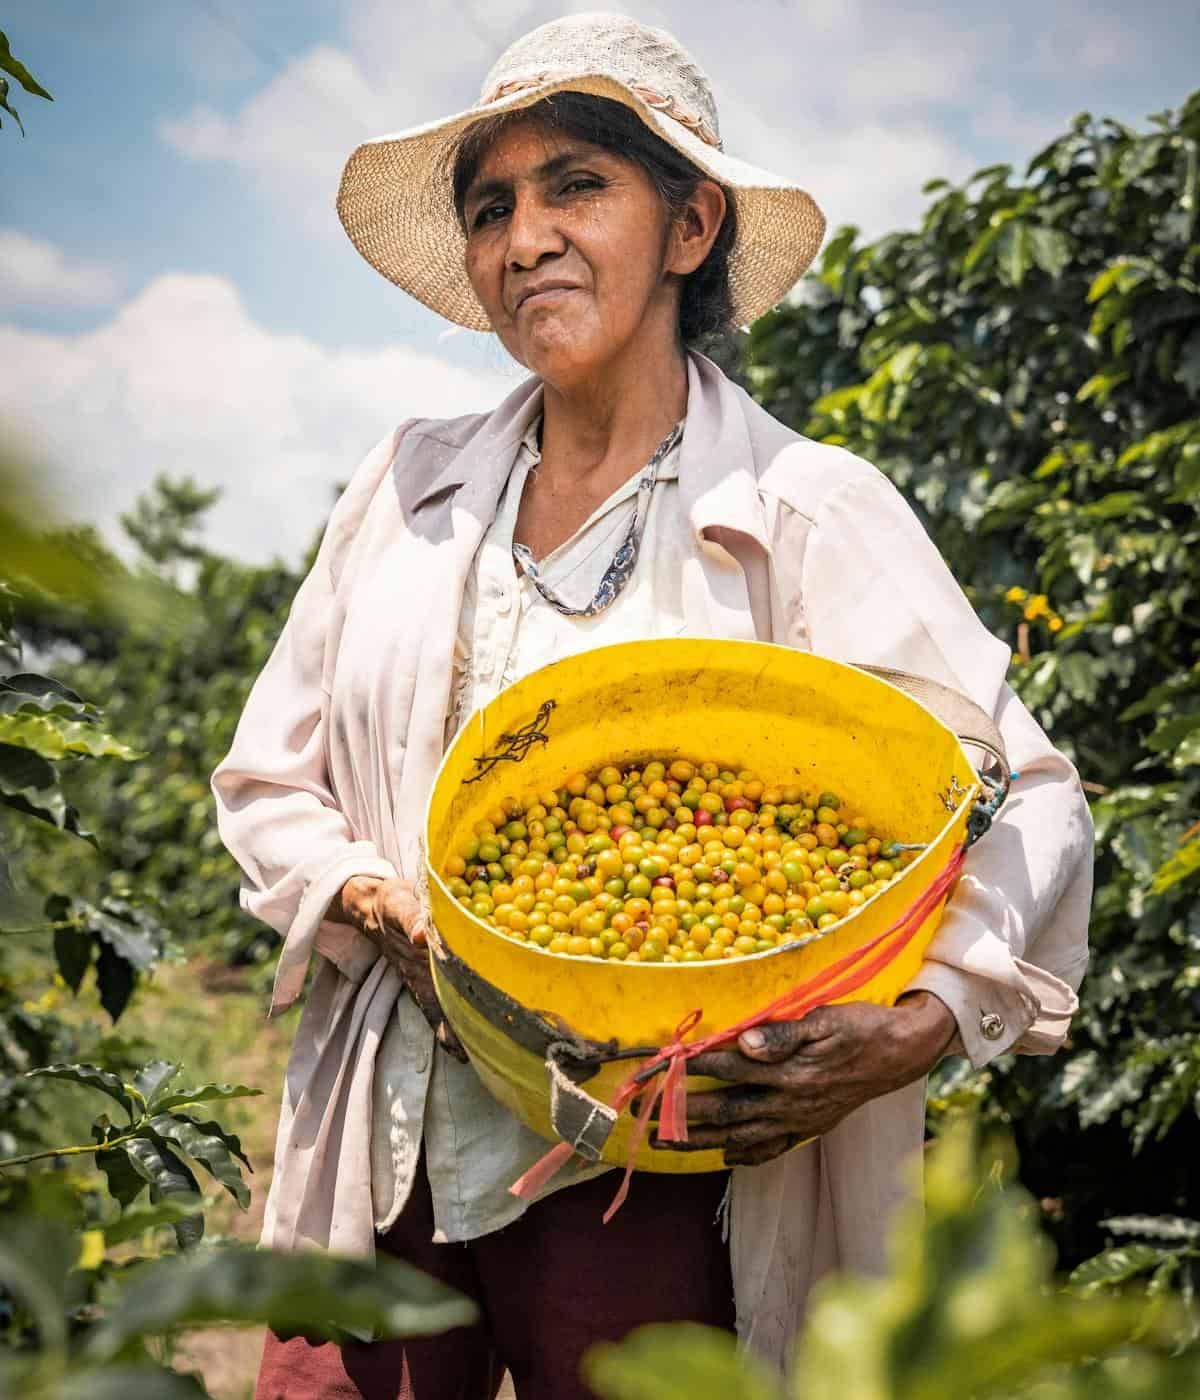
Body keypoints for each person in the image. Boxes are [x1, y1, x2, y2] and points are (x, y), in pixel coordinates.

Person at [211, 13, 1093, 1400]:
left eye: (576, 186)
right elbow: (271, 782)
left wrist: (925, 1019)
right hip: (389, 1141)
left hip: (658, 1155)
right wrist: (382, 902)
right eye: (492, 206)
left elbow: (1026, 792)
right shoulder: (409, 486)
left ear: (688, 228)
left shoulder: (806, 508)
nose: (524, 238)